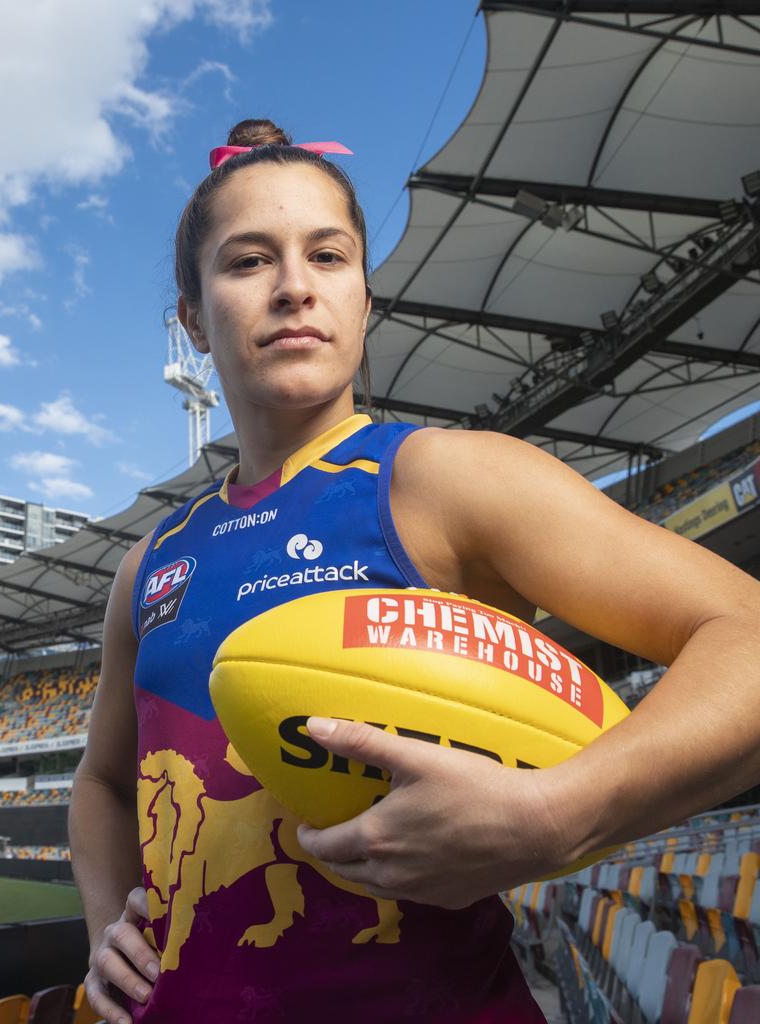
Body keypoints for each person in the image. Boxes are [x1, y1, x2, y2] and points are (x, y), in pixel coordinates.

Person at [68, 118, 760, 1023]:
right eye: (247, 262)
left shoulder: (442, 477)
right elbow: (102, 782)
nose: (292, 288)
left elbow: (743, 632)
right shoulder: (149, 565)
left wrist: (559, 813)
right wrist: (104, 924)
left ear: (363, 297)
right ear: (193, 316)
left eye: (327, 256)